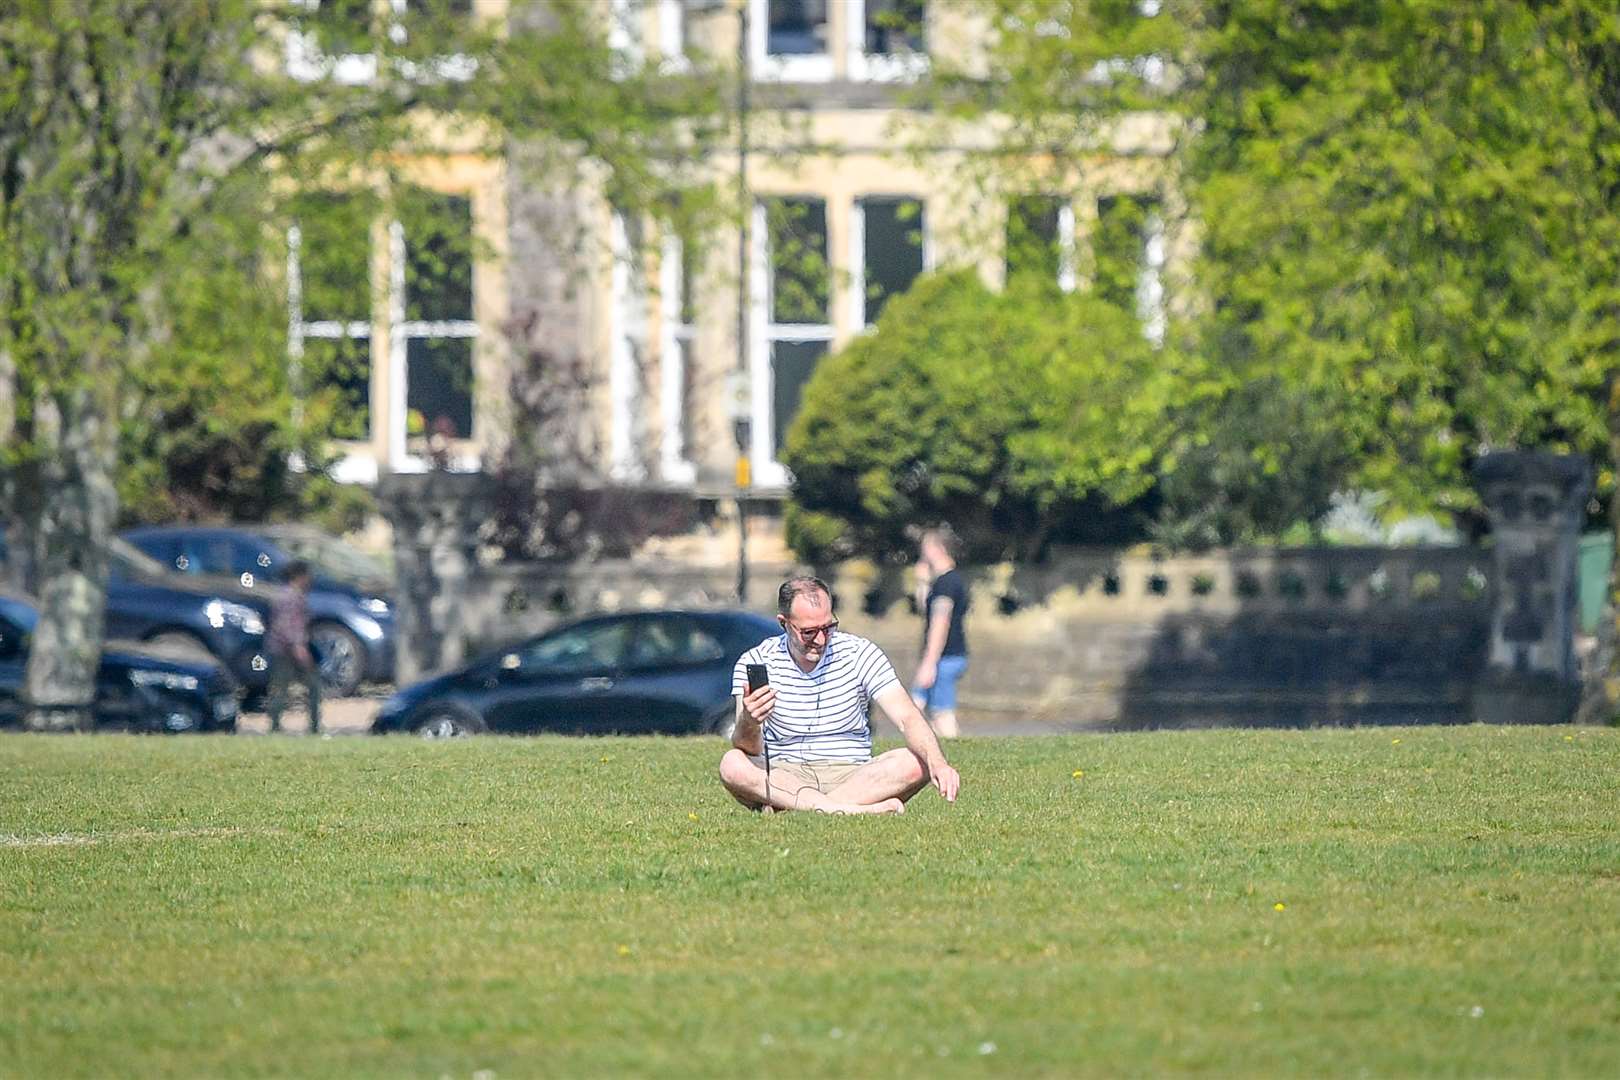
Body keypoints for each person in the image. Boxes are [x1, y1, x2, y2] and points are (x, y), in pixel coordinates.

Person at [719, 576, 962, 814]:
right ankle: (849, 809)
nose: (821, 639)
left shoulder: (860, 653)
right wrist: (750, 721)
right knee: (732, 764)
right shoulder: (755, 661)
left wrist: (938, 763)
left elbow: (907, 717)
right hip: (785, 773)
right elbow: (746, 746)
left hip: (852, 773)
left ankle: (802, 809)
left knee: (918, 761)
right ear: (784, 623)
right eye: (809, 632)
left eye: (828, 627)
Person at [912, 525, 969, 739]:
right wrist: (922, 582)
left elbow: (940, 623)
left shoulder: (947, 583)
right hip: (943, 656)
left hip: (945, 657)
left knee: (941, 713)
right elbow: (925, 611)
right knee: (916, 705)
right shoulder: (943, 582)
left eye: (925, 546)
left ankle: (951, 747)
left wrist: (929, 662)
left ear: (937, 548)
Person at [265, 559, 321, 735]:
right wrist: (299, 648)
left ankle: (310, 726)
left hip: (281, 648)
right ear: (299, 576)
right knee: (301, 686)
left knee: (284, 688)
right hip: (287, 651)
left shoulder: (287, 594)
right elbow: (288, 625)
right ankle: (279, 726)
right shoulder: (291, 597)